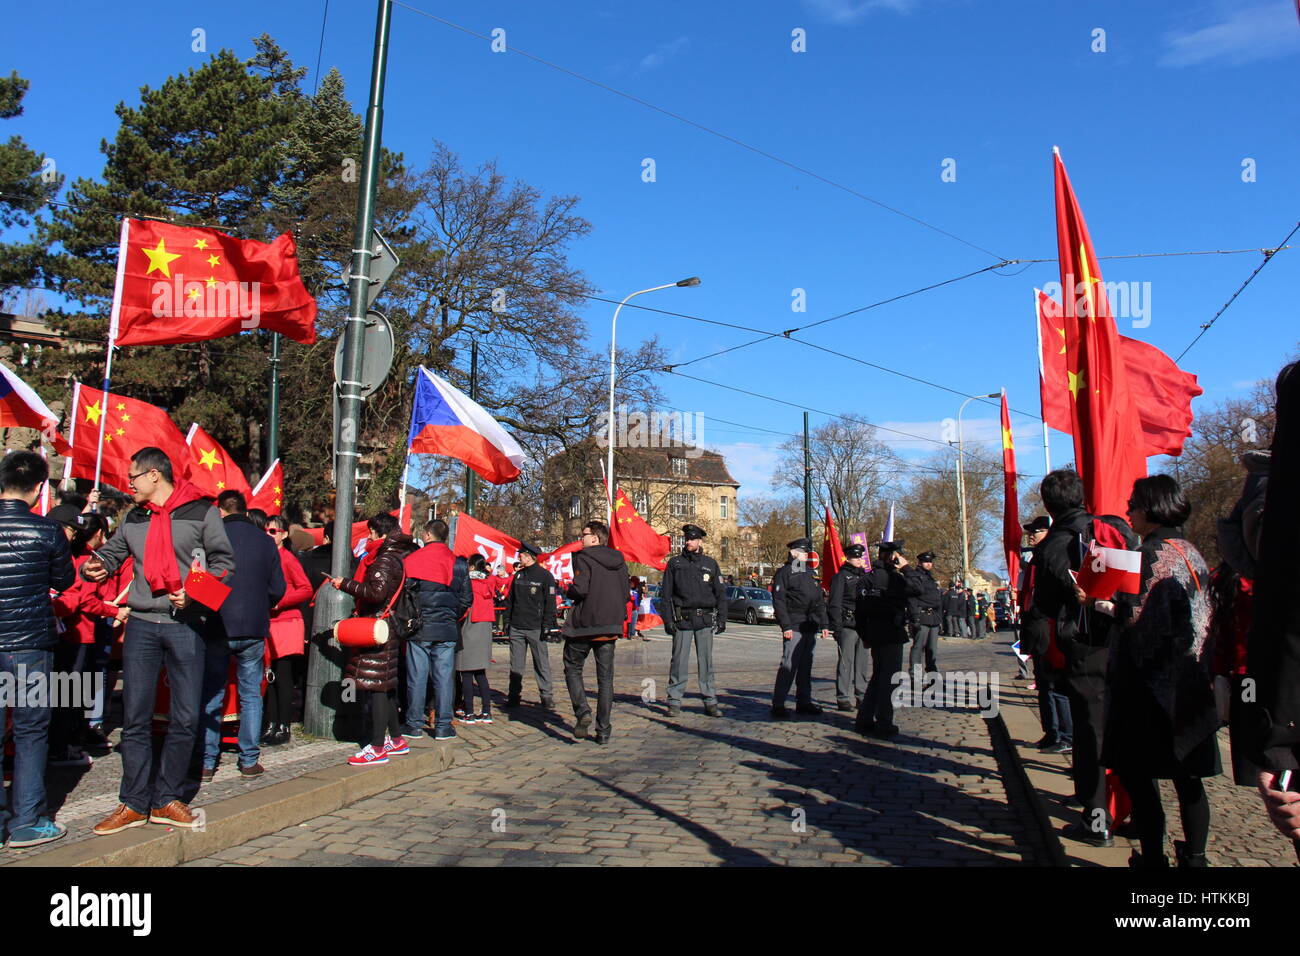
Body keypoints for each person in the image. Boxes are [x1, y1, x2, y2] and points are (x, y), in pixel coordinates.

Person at [83, 446, 235, 835]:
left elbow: (224, 565)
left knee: (185, 716)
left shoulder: (202, 512)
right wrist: (97, 565)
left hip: (187, 625)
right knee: (135, 717)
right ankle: (133, 802)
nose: (128, 484)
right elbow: (115, 553)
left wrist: (194, 590)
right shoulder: (134, 517)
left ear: (154, 475)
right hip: (142, 625)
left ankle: (167, 798)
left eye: (132, 477)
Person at [1104, 475, 1219, 867]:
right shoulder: (1190, 549)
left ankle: (1153, 858)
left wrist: (1097, 602)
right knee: (1189, 780)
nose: (1128, 511)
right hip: (1191, 682)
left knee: (1140, 776)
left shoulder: (1149, 554)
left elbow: (1136, 619)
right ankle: (1197, 857)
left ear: (1151, 508)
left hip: (1149, 687)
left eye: (1133, 504)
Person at [1033, 468, 1134, 848]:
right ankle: (1136, 811)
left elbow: (1043, 604)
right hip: (1125, 641)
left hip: (1085, 645)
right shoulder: (1113, 528)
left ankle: (1096, 821)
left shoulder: (1053, 545)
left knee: (1090, 737)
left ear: (1049, 504)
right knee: (1125, 727)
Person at [0, 451, 75, 847]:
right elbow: (64, 579)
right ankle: (26, 820)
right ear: (40, 487)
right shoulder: (46, 531)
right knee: (31, 731)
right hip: (29, 643)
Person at [198, 491, 285, 780]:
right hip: (254, 625)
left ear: (220, 510)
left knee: (212, 692)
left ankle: (207, 761)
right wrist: (262, 603)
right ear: (246, 512)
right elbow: (278, 588)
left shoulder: (212, 536)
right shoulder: (265, 541)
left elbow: (199, 578)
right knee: (250, 694)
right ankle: (248, 759)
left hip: (217, 624)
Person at [328, 513, 416, 767]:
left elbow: (375, 593)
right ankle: (396, 739)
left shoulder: (384, 559)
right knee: (385, 684)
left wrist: (345, 584)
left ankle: (377, 746)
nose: (368, 536)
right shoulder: (396, 556)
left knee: (377, 685)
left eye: (371, 532)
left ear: (381, 533)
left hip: (378, 627)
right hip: (387, 626)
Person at [49, 510, 124, 767]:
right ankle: (62, 745)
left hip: (76, 632)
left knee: (68, 693)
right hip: (75, 633)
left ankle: (66, 741)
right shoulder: (79, 560)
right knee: (67, 694)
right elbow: (82, 599)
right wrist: (114, 610)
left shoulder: (78, 558)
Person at [562, 520, 629, 744]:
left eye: (585, 534)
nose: (581, 538)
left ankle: (583, 711)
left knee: (572, 667)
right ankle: (604, 730)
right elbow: (625, 592)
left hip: (585, 624)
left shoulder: (584, 557)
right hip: (609, 625)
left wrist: (567, 588)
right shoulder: (619, 561)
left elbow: (581, 589)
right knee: (606, 679)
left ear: (595, 538)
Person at [403, 519, 470, 740]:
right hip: (446, 628)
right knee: (444, 678)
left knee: (417, 676)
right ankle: (443, 725)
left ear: (428, 535)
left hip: (420, 628)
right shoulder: (458, 563)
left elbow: (406, 596)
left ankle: (413, 724)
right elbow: (466, 599)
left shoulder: (412, 560)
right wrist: (451, 615)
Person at [661, 524, 727, 717]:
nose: (688, 542)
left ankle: (710, 700)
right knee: (679, 662)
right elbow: (666, 594)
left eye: (691, 539)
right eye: (686, 539)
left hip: (704, 619)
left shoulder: (710, 564)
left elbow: (720, 594)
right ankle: (674, 700)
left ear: (700, 541)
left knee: (706, 662)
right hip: (683, 619)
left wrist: (722, 618)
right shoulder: (675, 564)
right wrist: (668, 620)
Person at [855, 541, 919, 738]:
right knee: (889, 679)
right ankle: (884, 721)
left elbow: (859, 611)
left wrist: (864, 635)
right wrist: (907, 567)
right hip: (892, 631)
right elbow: (918, 589)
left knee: (877, 676)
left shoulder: (866, 579)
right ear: (894, 557)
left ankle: (865, 718)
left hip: (874, 633)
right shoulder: (896, 579)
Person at [1019, 516, 1072, 753]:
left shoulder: (1051, 555)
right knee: (1044, 685)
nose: (1031, 535)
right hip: (1036, 628)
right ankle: (1051, 732)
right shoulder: (1036, 558)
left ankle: (1065, 735)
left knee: (1055, 687)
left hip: (1048, 627)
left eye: (1036, 531)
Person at [263, 513, 312, 746]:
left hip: (286, 622)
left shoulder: (288, 558)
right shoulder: (263, 557)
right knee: (269, 677)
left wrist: (279, 601)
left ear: (282, 535)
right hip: (268, 623)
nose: (268, 535)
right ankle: (271, 723)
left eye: (273, 531)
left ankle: (283, 724)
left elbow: (305, 588)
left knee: (283, 676)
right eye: (266, 530)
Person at [770, 537, 830, 718]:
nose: (806, 555)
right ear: (794, 553)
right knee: (789, 665)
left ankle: (804, 701)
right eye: (803, 552)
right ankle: (778, 704)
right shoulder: (785, 573)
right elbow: (779, 601)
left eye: (806, 552)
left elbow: (819, 601)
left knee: (806, 666)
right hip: (794, 624)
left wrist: (824, 623)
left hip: (809, 625)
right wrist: (785, 625)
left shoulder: (810, 573)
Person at [503, 542, 557, 710]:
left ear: (530, 556)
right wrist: (507, 621)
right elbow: (510, 600)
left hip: (536, 627)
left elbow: (550, 603)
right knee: (516, 664)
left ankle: (546, 695)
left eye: (523, 555)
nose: (520, 557)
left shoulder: (545, 576)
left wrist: (548, 624)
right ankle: (514, 695)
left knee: (541, 663)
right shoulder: (518, 576)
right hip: (517, 626)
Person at [828, 542, 871, 712]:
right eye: (856, 557)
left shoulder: (866, 577)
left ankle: (861, 695)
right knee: (846, 663)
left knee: (862, 663)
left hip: (863, 625)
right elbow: (834, 604)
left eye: (861, 557)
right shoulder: (841, 577)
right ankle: (843, 697)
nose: (860, 560)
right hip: (848, 624)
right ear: (849, 558)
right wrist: (837, 627)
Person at [457, 553, 497, 724]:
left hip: (469, 630)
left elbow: (463, 609)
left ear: (471, 567)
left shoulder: (469, 584)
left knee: (466, 674)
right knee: (481, 674)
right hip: (484, 631)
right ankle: (486, 711)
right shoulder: (489, 583)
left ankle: (469, 712)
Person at [905, 550, 943, 674]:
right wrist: (914, 617)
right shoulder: (916, 576)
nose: (928, 564)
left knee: (932, 649)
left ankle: (932, 674)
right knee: (918, 647)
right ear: (920, 562)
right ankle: (915, 674)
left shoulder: (931, 578)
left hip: (933, 617)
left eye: (930, 562)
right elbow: (912, 599)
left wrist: (939, 619)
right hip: (922, 615)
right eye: (926, 561)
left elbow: (937, 600)